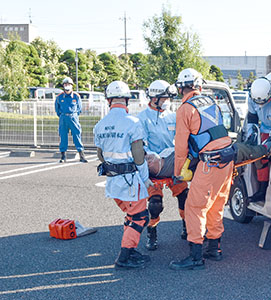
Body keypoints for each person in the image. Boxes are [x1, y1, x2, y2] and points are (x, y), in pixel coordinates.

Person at [169, 68, 234, 271]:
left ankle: (195, 256)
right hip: (227, 159)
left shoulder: (185, 109)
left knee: (194, 207)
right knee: (216, 203)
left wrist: (179, 173)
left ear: (181, 88)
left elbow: (180, 146)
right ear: (199, 86)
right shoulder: (212, 102)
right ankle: (214, 248)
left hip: (210, 163)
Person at [94, 80, 153, 269]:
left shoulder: (100, 125)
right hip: (130, 181)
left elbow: (100, 155)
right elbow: (138, 156)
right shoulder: (133, 122)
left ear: (108, 100)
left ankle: (131, 249)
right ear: (127, 100)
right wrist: (146, 179)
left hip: (113, 181)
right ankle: (124, 256)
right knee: (140, 217)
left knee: (130, 215)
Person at [137, 80, 189, 251]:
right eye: (165, 97)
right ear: (154, 98)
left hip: (172, 163)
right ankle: (152, 232)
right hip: (153, 166)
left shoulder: (173, 115)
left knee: (185, 196)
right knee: (155, 204)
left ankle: (186, 226)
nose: (168, 100)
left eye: (169, 97)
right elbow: (141, 145)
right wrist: (153, 158)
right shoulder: (142, 118)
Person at [55, 77, 88, 163]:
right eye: (65, 84)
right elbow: (57, 109)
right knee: (63, 136)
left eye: (68, 84)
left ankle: (81, 155)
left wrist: (74, 116)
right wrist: (62, 115)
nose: (67, 86)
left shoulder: (76, 96)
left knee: (77, 135)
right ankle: (63, 156)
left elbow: (79, 108)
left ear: (72, 86)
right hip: (63, 118)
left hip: (73, 117)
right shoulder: (59, 97)